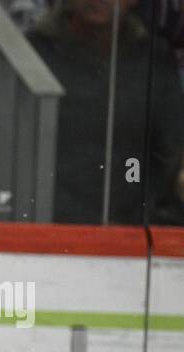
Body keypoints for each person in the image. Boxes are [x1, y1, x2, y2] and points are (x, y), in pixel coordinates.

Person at [27, 0, 184, 224]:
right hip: (45, 229)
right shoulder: (33, 52)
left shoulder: (154, 58)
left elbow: (169, 153)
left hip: (130, 233)